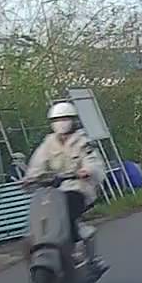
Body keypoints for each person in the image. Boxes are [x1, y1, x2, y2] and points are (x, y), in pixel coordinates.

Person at [25, 101, 108, 273]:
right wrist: (30, 178)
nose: (61, 123)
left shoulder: (83, 142)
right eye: (57, 119)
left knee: (67, 211)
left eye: (65, 119)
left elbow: (94, 162)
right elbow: (37, 164)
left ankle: (79, 249)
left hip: (79, 189)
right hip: (54, 191)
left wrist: (87, 170)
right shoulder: (48, 143)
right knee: (42, 214)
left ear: (73, 120)